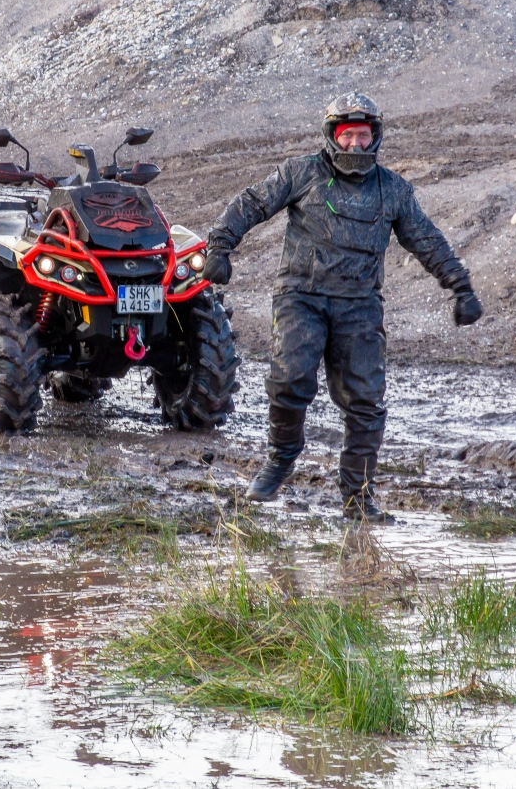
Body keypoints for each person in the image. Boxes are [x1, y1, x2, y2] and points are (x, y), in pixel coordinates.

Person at [201, 92, 482, 522]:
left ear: (375, 138)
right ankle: (280, 459)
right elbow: (251, 203)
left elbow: (426, 240)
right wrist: (220, 247)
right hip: (301, 297)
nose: (355, 143)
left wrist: (460, 287)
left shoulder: (393, 190)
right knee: (290, 381)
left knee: (366, 402)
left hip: (360, 306)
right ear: (332, 135)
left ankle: (358, 498)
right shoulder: (302, 172)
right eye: (347, 134)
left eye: (362, 135)